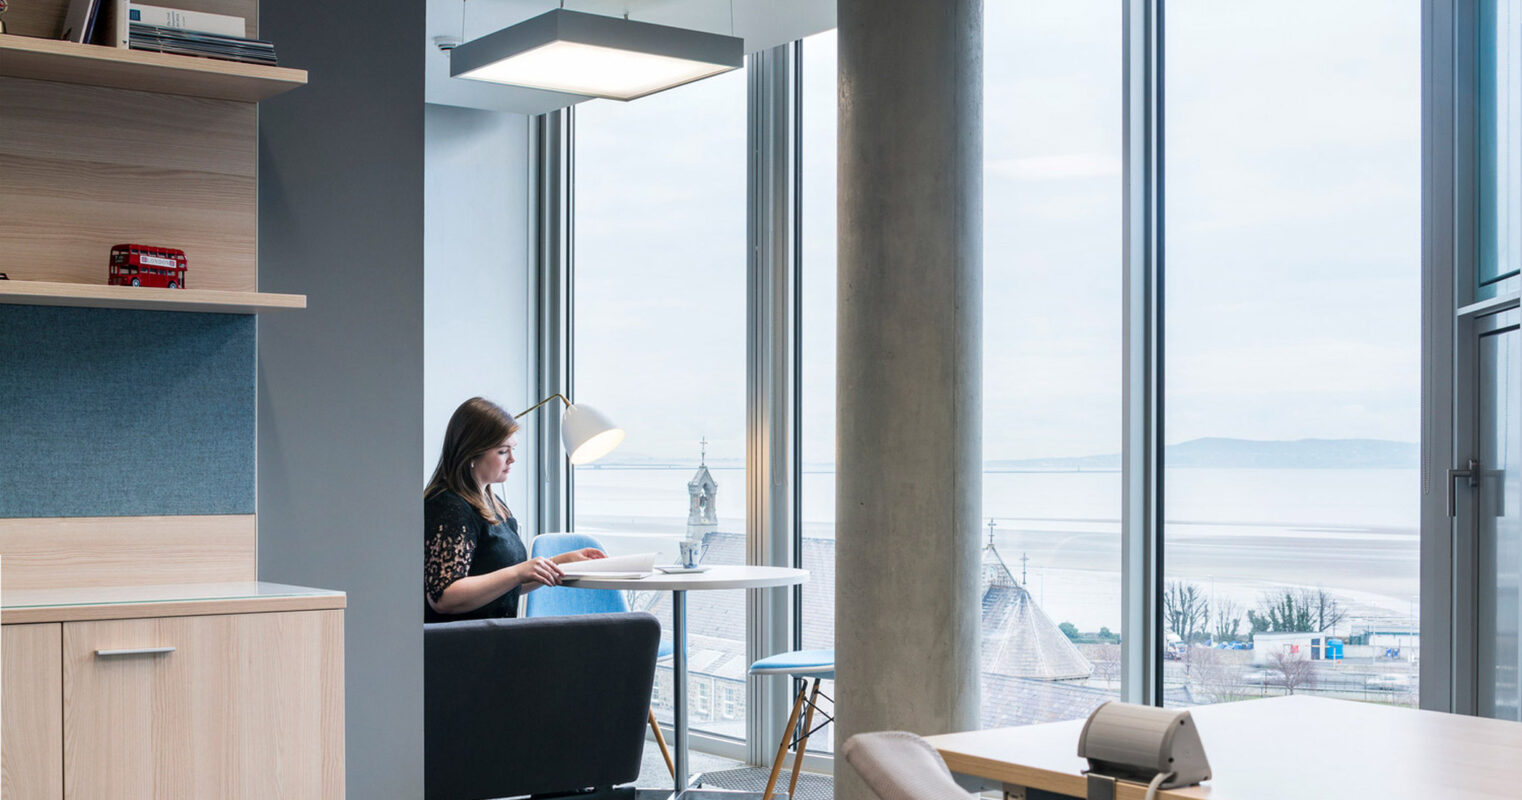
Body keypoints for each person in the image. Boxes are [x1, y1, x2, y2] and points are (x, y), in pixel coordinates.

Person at [424, 397, 603, 622]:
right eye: (502, 451)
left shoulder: (493, 503)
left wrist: (558, 563)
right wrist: (518, 572)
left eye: (513, 449)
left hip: (494, 640)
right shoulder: (448, 507)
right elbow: (443, 597)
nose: (512, 459)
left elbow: (506, 587)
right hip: (461, 646)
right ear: (471, 453)